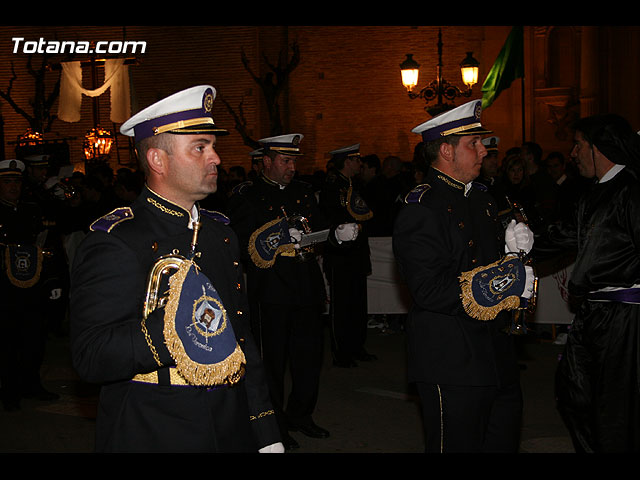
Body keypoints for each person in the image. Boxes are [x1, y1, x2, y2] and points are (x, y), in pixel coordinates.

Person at [69, 85, 282, 453]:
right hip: (154, 425)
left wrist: (265, 429)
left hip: (230, 421)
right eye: (200, 147)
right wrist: (174, 329)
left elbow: (242, 337)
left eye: (213, 146)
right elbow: (90, 356)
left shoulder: (220, 233)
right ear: (157, 160)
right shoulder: (118, 239)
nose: (215, 157)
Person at [393, 100, 535, 453]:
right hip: (452, 359)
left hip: (495, 352)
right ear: (445, 150)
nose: (483, 149)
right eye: (473, 143)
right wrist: (501, 280)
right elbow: (429, 290)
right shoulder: (422, 208)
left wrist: (514, 252)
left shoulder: (484, 199)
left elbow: (486, 265)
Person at [226, 133, 359, 450]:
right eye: (285, 161)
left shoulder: (303, 192)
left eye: (294, 160)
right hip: (271, 288)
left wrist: (336, 237)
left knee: (308, 357)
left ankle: (301, 414)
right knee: (271, 362)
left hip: (305, 286)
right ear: (267, 161)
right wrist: (277, 240)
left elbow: (318, 230)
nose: (292, 167)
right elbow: (240, 244)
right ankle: (274, 424)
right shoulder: (247, 196)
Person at [540, 113, 640, 453]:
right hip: (593, 314)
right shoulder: (593, 194)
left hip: (625, 317)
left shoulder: (633, 190)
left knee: (614, 406)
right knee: (574, 392)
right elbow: (565, 236)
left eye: (579, 144)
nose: (573, 152)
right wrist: (517, 242)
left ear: (600, 147)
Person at [0, 159, 60, 411]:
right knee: (7, 341)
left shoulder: (32, 209)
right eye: (6, 182)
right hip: (4, 288)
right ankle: (10, 391)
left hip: (32, 286)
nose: (13, 186)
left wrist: (54, 280)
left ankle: (31, 384)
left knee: (34, 339)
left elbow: (50, 244)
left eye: (16, 181)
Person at [319, 144, 375, 367]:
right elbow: (329, 218)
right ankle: (341, 352)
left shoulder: (356, 185)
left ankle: (356, 346)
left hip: (357, 255)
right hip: (340, 255)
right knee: (342, 306)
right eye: (356, 160)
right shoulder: (332, 187)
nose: (359, 164)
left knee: (358, 304)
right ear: (347, 161)